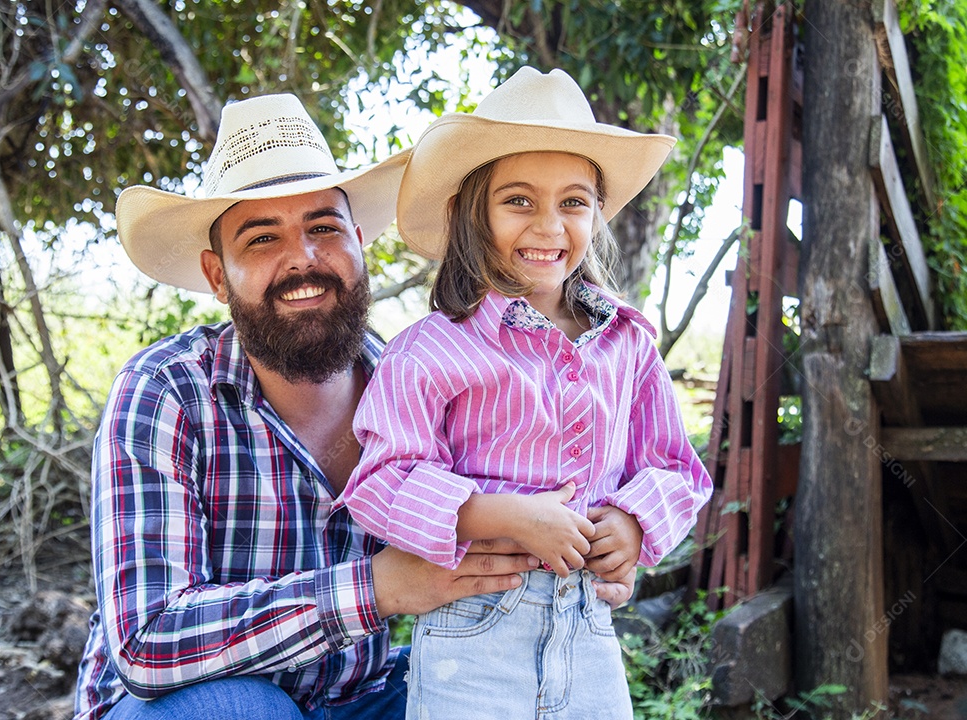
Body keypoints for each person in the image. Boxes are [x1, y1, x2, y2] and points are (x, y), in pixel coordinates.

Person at [73, 92, 633, 720]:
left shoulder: (414, 377)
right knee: (239, 710)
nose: (303, 259)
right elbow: (148, 642)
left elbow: (508, 508)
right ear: (217, 274)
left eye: (324, 228)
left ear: (359, 243)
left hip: (358, 699)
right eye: (261, 239)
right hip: (182, 709)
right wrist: (376, 589)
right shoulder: (166, 392)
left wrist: (594, 553)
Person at [339, 67, 714, 719]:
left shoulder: (627, 343)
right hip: (472, 630)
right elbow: (379, 483)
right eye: (519, 200)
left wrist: (633, 521)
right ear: (470, 214)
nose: (549, 224)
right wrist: (501, 515)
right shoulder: (432, 348)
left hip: (589, 629)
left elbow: (675, 466)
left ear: (597, 213)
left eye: (573, 201)